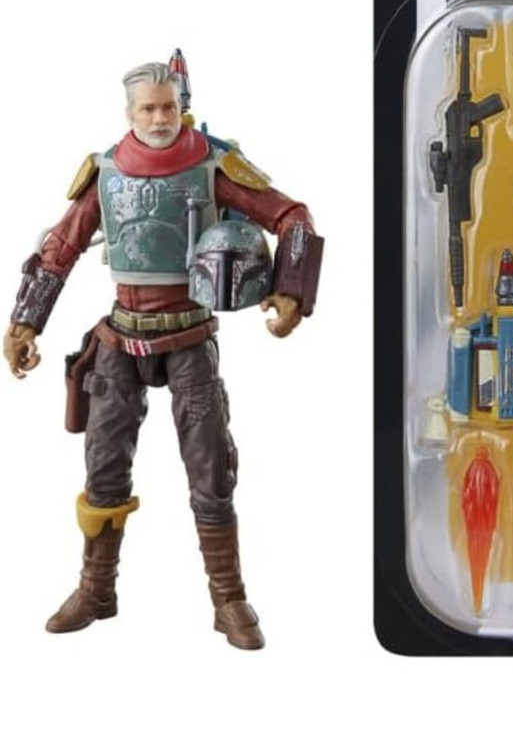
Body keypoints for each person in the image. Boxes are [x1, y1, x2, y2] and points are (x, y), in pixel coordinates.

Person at [4, 59, 323, 649]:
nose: (158, 119)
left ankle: (228, 598)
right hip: (120, 339)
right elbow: (60, 247)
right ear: (129, 113)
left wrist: (291, 292)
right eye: (147, 108)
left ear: (182, 108)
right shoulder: (105, 173)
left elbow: (291, 217)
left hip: (189, 338)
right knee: (103, 466)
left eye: (168, 107)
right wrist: (25, 322)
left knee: (211, 469)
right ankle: (96, 589)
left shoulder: (213, 166)